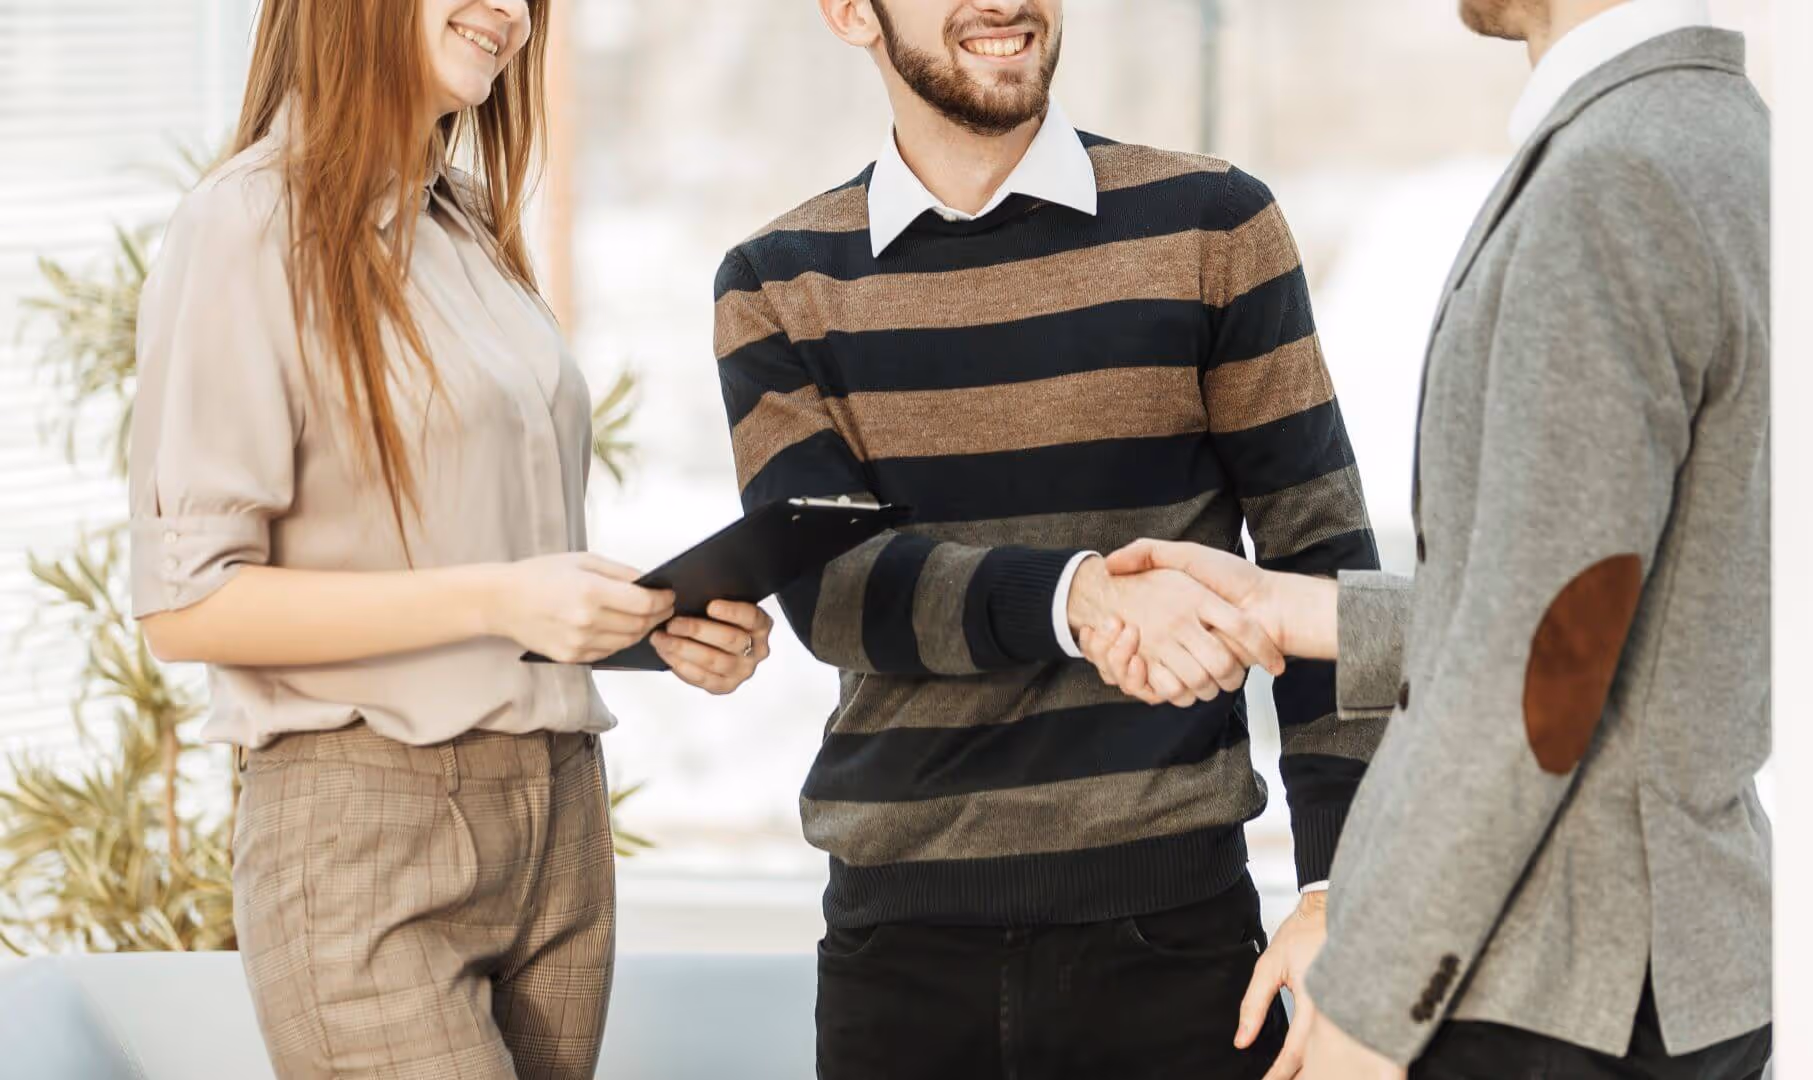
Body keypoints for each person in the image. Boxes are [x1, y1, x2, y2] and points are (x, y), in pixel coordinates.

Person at [1085, 1, 1772, 1077]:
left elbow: (1548, 669)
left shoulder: (1607, 182)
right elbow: (1619, 614)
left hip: (1556, 990)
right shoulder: (1725, 132)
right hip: (1677, 966)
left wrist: (1372, 1008)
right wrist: (1299, 609)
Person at [713, 1, 1380, 1076]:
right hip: (899, 970)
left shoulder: (1213, 226)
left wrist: (1336, 888)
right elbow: (832, 591)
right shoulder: (777, 284)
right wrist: (1080, 598)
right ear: (848, 12)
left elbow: (1324, 567)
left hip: (1176, 947)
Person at [128, 2, 773, 1076]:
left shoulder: (468, 225)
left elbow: (476, 560)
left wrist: (646, 625)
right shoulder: (246, 224)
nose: (509, 12)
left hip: (558, 820)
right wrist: (503, 599)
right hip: (366, 827)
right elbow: (187, 605)